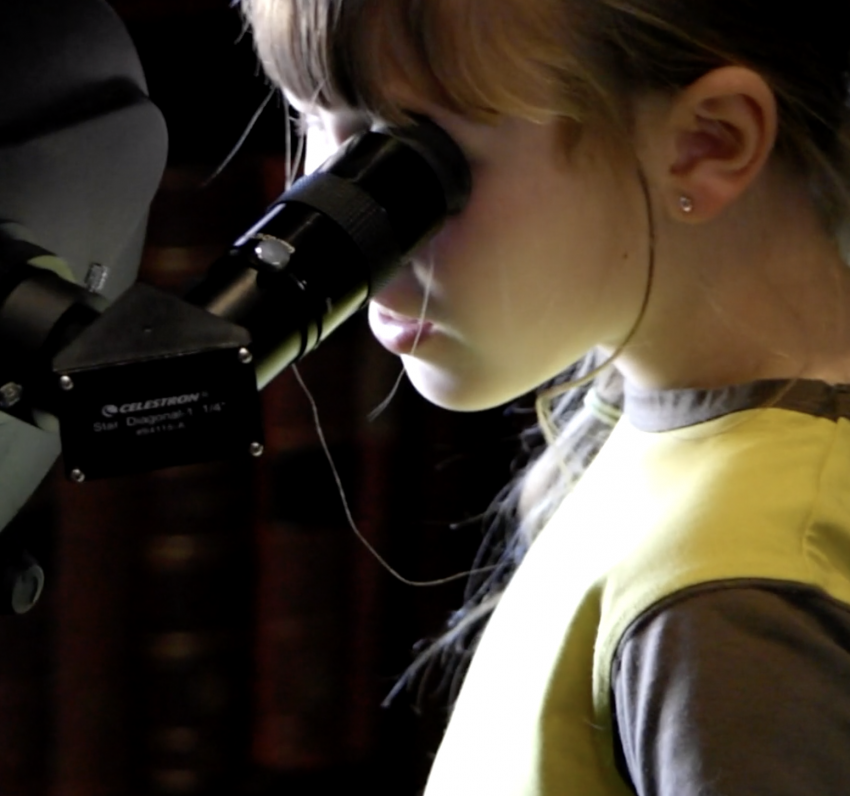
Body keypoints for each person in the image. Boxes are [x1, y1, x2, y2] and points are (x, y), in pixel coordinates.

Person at [241, 1, 850, 794]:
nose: (349, 249)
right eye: (310, 130)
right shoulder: (707, 469)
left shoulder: (731, 602)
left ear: (708, 144)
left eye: (406, 167)